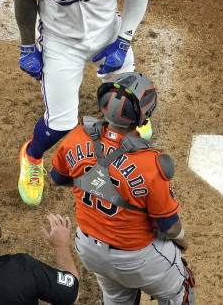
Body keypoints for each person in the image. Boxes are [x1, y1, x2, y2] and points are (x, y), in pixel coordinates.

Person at [15, 0, 155, 206]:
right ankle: (31, 157)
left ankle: (132, 120)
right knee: (61, 123)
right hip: (60, 43)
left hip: (106, 33)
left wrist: (123, 40)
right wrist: (28, 46)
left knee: (132, 93)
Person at [50, 72, 196, 305]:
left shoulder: (76, 138)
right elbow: (168, 225)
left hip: (89, 249)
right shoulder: (150, 163)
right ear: (143, 115)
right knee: (181, 289)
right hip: (137, 257)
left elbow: (59, 178)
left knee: (117, 298)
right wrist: (183, 241)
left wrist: (95, 186)